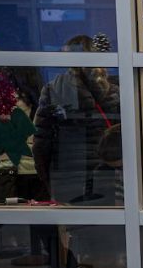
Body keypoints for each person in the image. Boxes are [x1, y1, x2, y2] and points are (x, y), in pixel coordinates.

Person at [32, 35, 120, 205]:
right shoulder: (113, 91)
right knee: (108, 224)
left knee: (74, 225)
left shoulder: (53, 89)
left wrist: (44, 174)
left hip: (66, 173)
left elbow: (42, 140)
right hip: (106, 172)